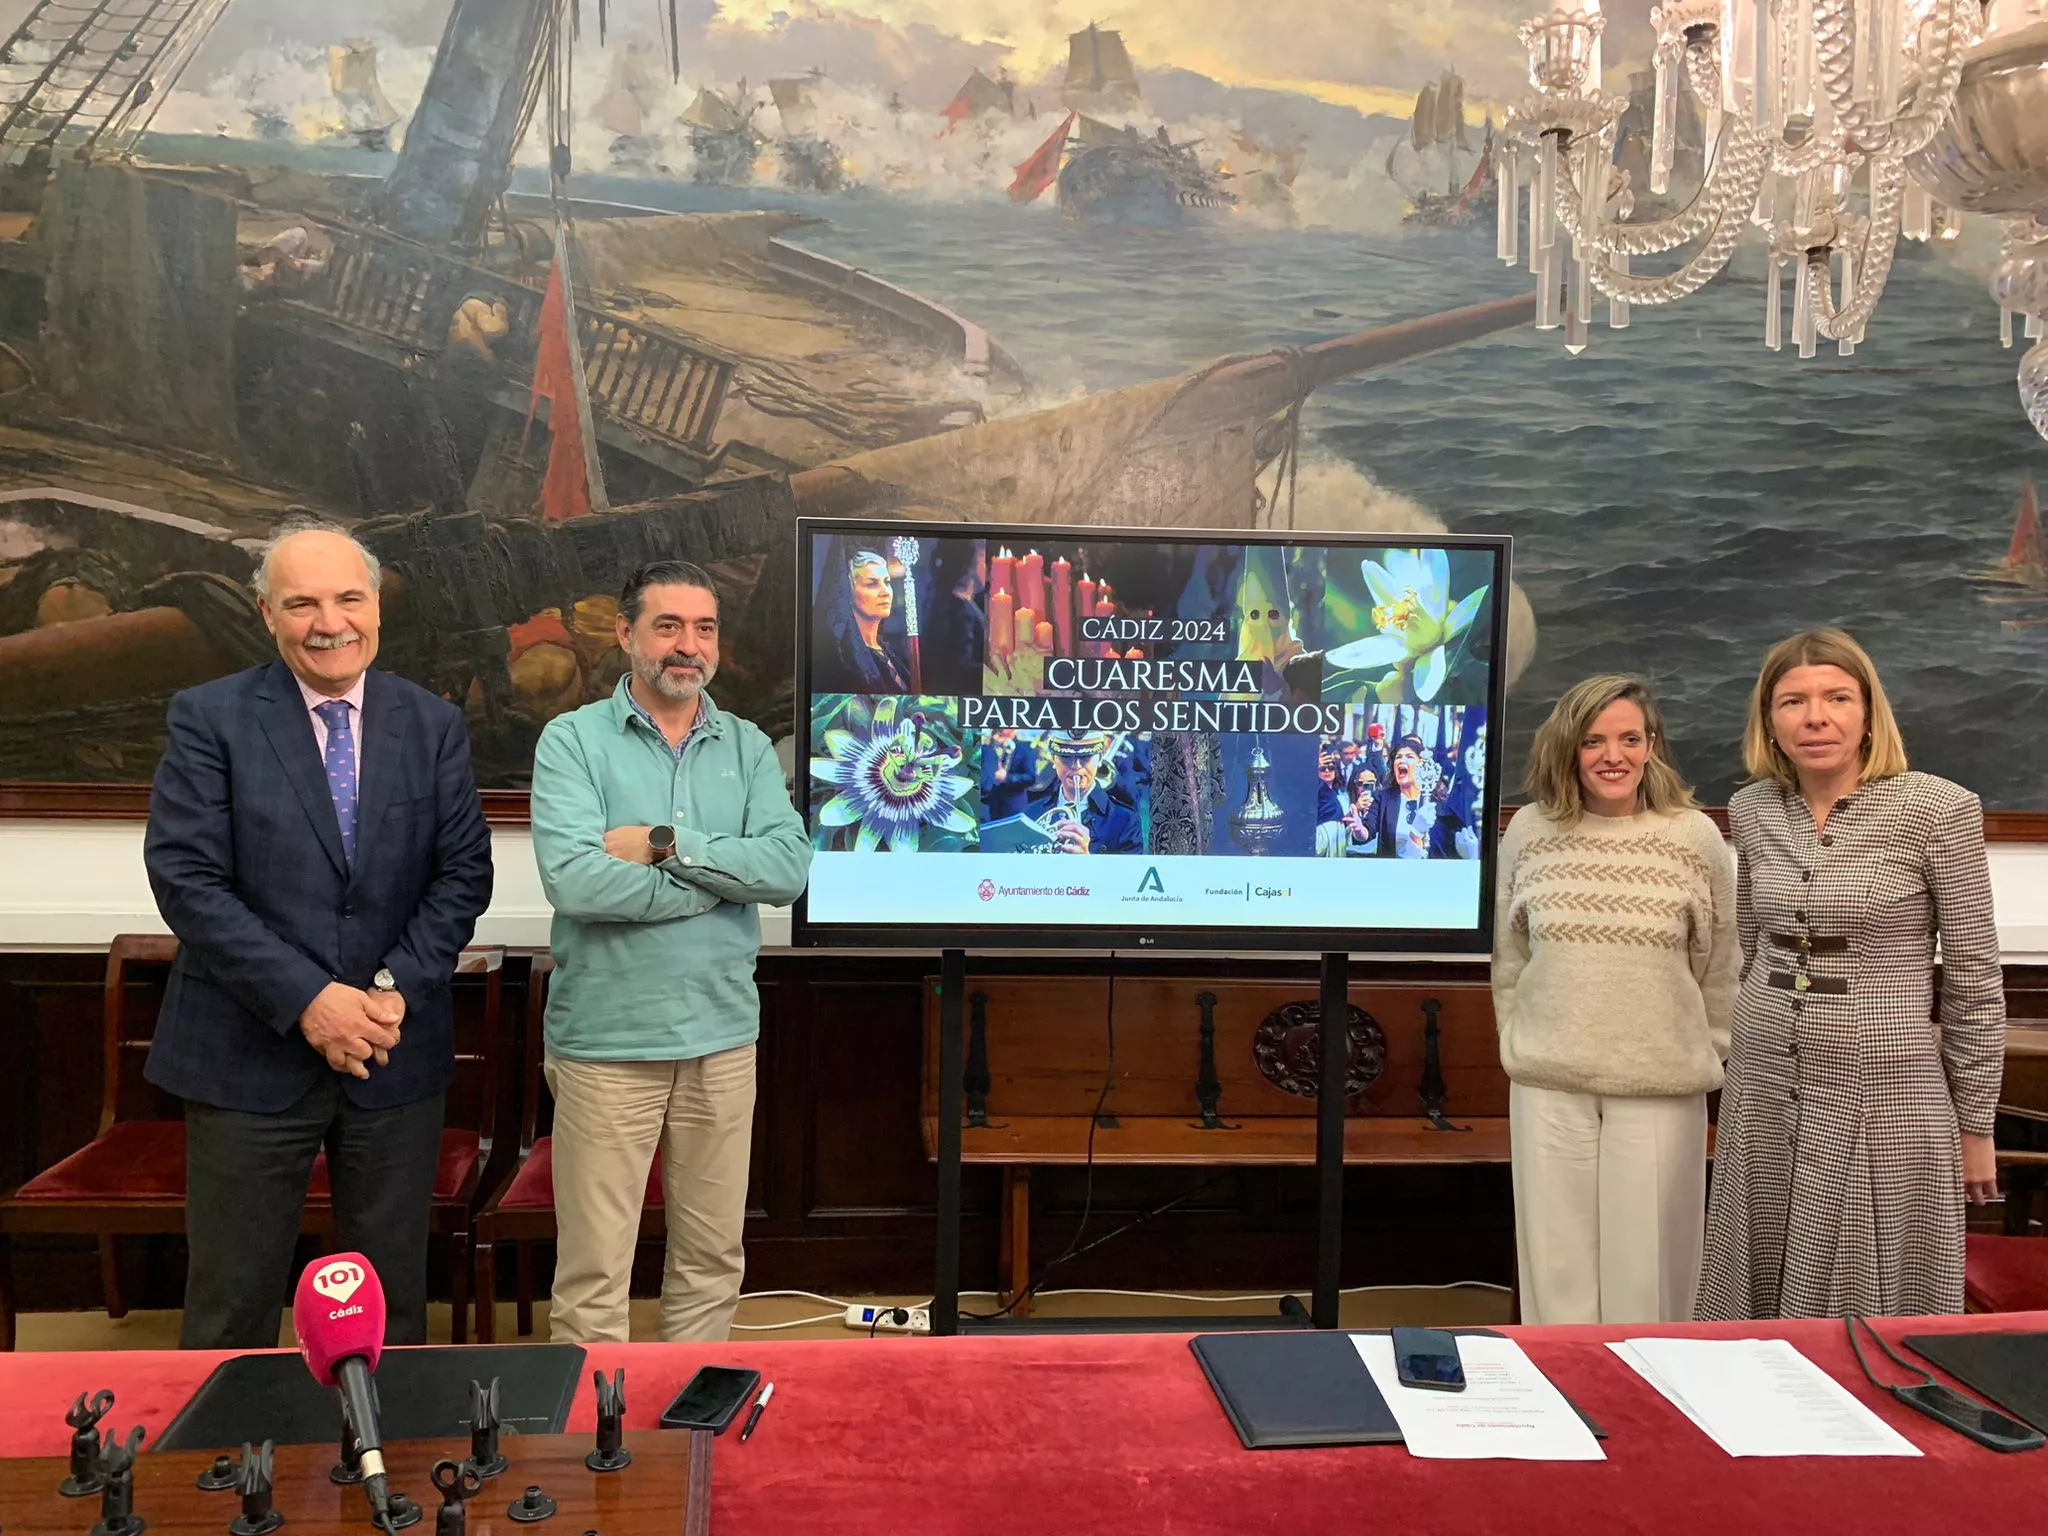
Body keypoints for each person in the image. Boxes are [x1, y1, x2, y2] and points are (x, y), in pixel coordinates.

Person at [142, 523, 493, 1349]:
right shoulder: (210, 717)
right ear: (268, 613)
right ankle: (230, 1471)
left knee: (391, 1303)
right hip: (246, 1055)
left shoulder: (432, 723)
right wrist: (309, 1002)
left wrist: (380, 997)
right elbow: (187, 880)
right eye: (302, 603)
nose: (328, 622)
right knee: (234, 1299)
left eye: (348, 599)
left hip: (391, 1050)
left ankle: (389, 1470)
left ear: (377, 606)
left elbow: (462, 875)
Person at [530, 559, 812, 1343]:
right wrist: (721, 880)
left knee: (712, 1261)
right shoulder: (572, 742)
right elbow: (579, 883)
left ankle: (692, 1433)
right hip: (606, 1047)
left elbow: (786, 871)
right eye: (668, 626)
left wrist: (666, 844)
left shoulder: (749, 747)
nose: (688, 646)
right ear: (626, 635)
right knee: (594, 1276)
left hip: (723, 1040)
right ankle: (598, 1450)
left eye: (704, 628)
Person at [1699, 629, 2005, 1319]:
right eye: (1794, 701)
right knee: (1755, 1289)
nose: (1816, 716)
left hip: (1885, 1096)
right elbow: (1754, 945)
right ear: (1769, 721)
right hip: (1765, 1086)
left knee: (1872, 1317)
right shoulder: (1751, 809)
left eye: (1837, 697)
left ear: (1868, 713)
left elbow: (1974, 979)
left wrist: (1976, 1127)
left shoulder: (1938, 810)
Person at [1492, 675, 1736, 1325]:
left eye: (1630, 739)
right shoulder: (1529, 832)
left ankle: (1651, 1408)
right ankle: (1561, 1403)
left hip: (1660, 1080)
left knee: (1652, 1280)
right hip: (1549, 1078)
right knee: (1555, 1273)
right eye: (1595, 740)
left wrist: (1706, 1050)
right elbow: (1509, 958)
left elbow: (1721, 964)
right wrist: (1522, 1039)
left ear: (1651, 746)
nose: (1613, 755)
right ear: (1567, 748)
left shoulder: (1693, 837)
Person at [1027, 730, 1144, 854]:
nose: (1076, 766)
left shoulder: (1126, 820)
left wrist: (1086, 859)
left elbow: (1129, 873)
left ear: (1101, 758)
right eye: (1066, 757)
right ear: (1053, 759)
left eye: (1085, 758)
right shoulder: (1031, 814)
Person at [814, 547, 912, 694]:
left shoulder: (890, 652)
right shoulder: (844, 662)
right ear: (849, 592)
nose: (885, 592)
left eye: (887, 582)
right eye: (872, 584)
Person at [980, 726, 1038, 821]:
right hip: (992, 801)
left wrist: (1007, 777)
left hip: (1013, 802)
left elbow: (1031, 778)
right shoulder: (990, 746)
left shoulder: (1025, 748)